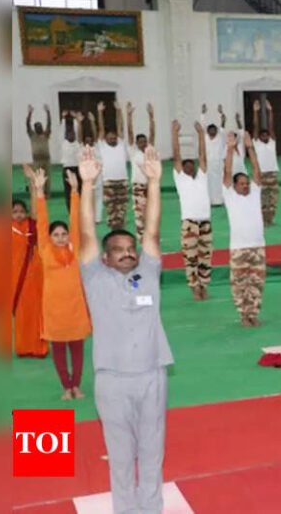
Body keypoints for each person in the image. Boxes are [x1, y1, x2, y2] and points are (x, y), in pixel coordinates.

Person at [77, 144, 173, 514]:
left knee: (152, 454)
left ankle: (152, 510)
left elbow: (152, 230)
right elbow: (86, 235)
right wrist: (88, 185)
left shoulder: (147, 272)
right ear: (105, 257)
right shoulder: (95, 278)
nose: (129, 252)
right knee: (121, 457)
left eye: (130, 247)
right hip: (113, 381)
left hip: (152, 375)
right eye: (119, 249)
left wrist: (153, 182)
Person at [25, 166, 92, 400]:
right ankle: (66, 386)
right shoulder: (45, 249)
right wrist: (40, 191)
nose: (62, 237)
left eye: (64, 234)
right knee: (59, 350)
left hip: (74, 307)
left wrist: (75, 190)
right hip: (53, 309)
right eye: (57, 235)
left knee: (77, 348)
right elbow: (42, 222)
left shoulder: (74, 247)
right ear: (50, 238)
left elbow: (75, 220)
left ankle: (77, 385)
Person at [223, 132, 267, 327]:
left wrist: (250, 148)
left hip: (257, 246)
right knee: (240, 284)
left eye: (247, 183)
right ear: (234, 186)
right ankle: (243, 315)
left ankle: (254, 314)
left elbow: (257, 171)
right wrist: (230, 149)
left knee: (256, 282)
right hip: (239, 247)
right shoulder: (229, 195)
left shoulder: (255, 192)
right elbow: (226, 171)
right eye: (241, 184)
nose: (246, 186)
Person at [172, 120, 213, 301]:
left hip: (205, 222)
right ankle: (194, 287)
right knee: (191, 258)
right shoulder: (180, 178)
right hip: (189, 223)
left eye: (191, 166)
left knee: (205, 256)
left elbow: (203, 156)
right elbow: (176, 155)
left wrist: (201, 135)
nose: (189, 168)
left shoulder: (202, 177)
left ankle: (204, 285)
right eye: (186, 167)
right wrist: (175, 134)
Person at [11, 198, 47, 358]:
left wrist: (34, 185)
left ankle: (39, 348)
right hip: (14, 278)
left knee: (36, 312)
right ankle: (22, 347)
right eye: (14, 212)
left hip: (34, 276)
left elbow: (37, 211)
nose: (18, 215)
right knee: (21, 315)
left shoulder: (31, 227)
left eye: (21, 211)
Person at [97, 101, 129, 230]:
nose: (112, 140)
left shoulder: (121, 143)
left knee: (122, 210)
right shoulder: (102, 146)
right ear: (105, 139)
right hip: (108, 182)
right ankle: (113, 232)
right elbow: (101, 129)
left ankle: (121, 230)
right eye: (109, 138)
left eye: (114, 138)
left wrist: (119, 111)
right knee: (111, 210)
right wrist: (99, 112)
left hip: (122, 182)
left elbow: (120, 126)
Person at [125, 102, 156, 238]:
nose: (143, 143)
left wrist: (151, 116)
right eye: (141, 141)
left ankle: (151, 235)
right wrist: (129, 116)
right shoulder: (133, 152)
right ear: (137, 143)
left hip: (150, 186)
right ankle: (142, 238)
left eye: (145, 141)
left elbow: (153, 133)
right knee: (139, 214)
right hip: (138, 187)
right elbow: (130, 133)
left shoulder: (150, 151)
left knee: (151, 213)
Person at [251, 100, 281, 225]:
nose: (264, 136)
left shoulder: (272, 142)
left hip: (272, 174)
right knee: (262, 199)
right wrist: (255, 112)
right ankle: (263, 220)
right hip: (261, 174)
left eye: (266, 135)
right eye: (262, 135)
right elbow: (255, 126)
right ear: (259, 137)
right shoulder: (256, 143)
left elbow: (271, 126)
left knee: (273, 199)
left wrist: (270, 111)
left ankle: (270, 219)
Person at [201, 103, 231, 205]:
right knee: (208, 183)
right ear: (208, 131)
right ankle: (209, 201)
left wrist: (221, 112)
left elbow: (223, 122)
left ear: (216, 130)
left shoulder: (220, 137)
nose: (212, 131)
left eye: (214, 129)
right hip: (208, 164)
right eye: (210, 129)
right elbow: (202, 125)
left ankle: (220, 200)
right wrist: (203, 113)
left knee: (219, 183)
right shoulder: (205, 137)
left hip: (219, 164)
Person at [26, 104, 52, 196]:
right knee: (36, 177)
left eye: (40, 126)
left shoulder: (46, 134)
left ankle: (47, 193)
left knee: (47, 177)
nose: (39, 128)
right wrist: (29, 113)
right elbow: (27, 124)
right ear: (35, 129)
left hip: (46, 159)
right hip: (36, 160)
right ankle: (36, 192)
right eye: (37, 127)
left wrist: (48, 112)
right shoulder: (32, 135)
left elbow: (49, 123)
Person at [61, 110, 83, 210]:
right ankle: (71, 209)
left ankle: (81, 207)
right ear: (66, 135)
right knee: (68, 190)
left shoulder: (78, 143)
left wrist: (76, 120)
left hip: (78, 169)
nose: (71, 135)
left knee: (80, 189)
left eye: (72, 133)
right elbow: (62, 130)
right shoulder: (63, 142)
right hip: (67, 170)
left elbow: (78, 130)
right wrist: (63, 118)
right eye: (68, 133)